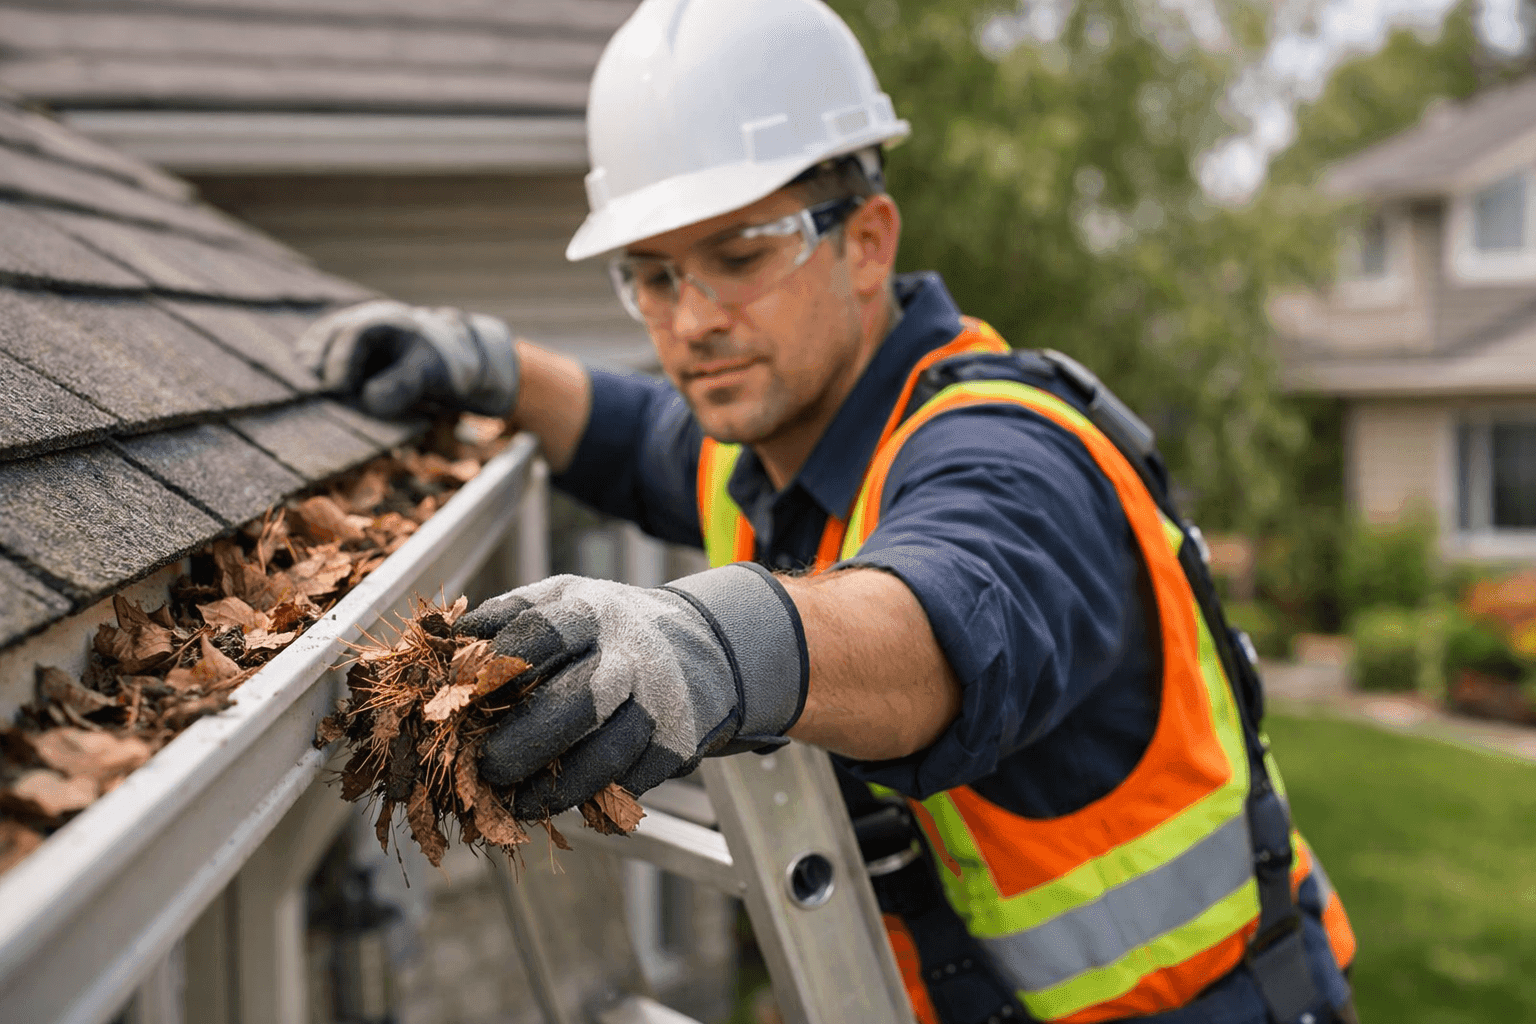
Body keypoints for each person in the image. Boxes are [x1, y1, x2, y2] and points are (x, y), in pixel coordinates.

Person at [298, 1, 1357, 1021]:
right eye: (653, 277)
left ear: (865, 242)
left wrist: (713, 642)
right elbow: (628, 431)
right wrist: (487, 362)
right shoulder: (762, 450)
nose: (694, 321)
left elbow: (940, 625)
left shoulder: (1014, 453)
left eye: (741, 257)